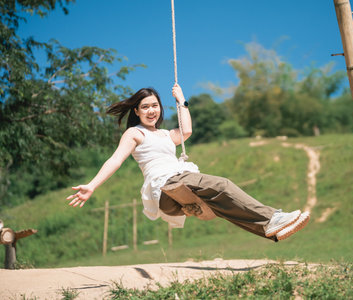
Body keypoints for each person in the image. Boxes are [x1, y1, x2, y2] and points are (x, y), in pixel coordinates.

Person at [66, 83, 310, 241]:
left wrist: (181, 100)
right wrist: (93, 185)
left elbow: (187, 130)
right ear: (137, 112)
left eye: (155, 106)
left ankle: (270, 229)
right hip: (165, 186)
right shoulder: (135, 133)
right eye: (145, 107)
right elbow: (115, 160)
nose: (151, 111)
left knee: (222, 205)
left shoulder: (165, 135)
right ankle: (273, 216)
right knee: (223, 185)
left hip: (179, 185)